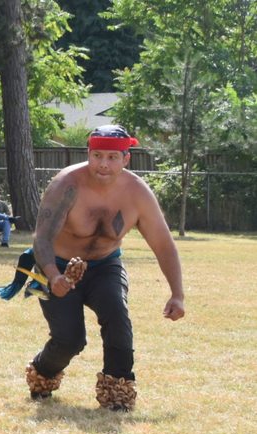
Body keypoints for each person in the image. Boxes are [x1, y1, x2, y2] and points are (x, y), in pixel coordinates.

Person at [18, 125, 185, 412]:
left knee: (117, 318)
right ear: (89, 154)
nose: (103, 164)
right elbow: (41, 238)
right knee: (70, 339)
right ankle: (42, 373)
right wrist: (53, 274)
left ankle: (117, 393)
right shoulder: (66, 185)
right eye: (97, 156)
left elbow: (163, 244)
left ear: (126, 159)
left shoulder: (137, 194)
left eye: (111, 157)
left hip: (105, 265)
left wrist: (177, 293)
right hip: (55, 265)